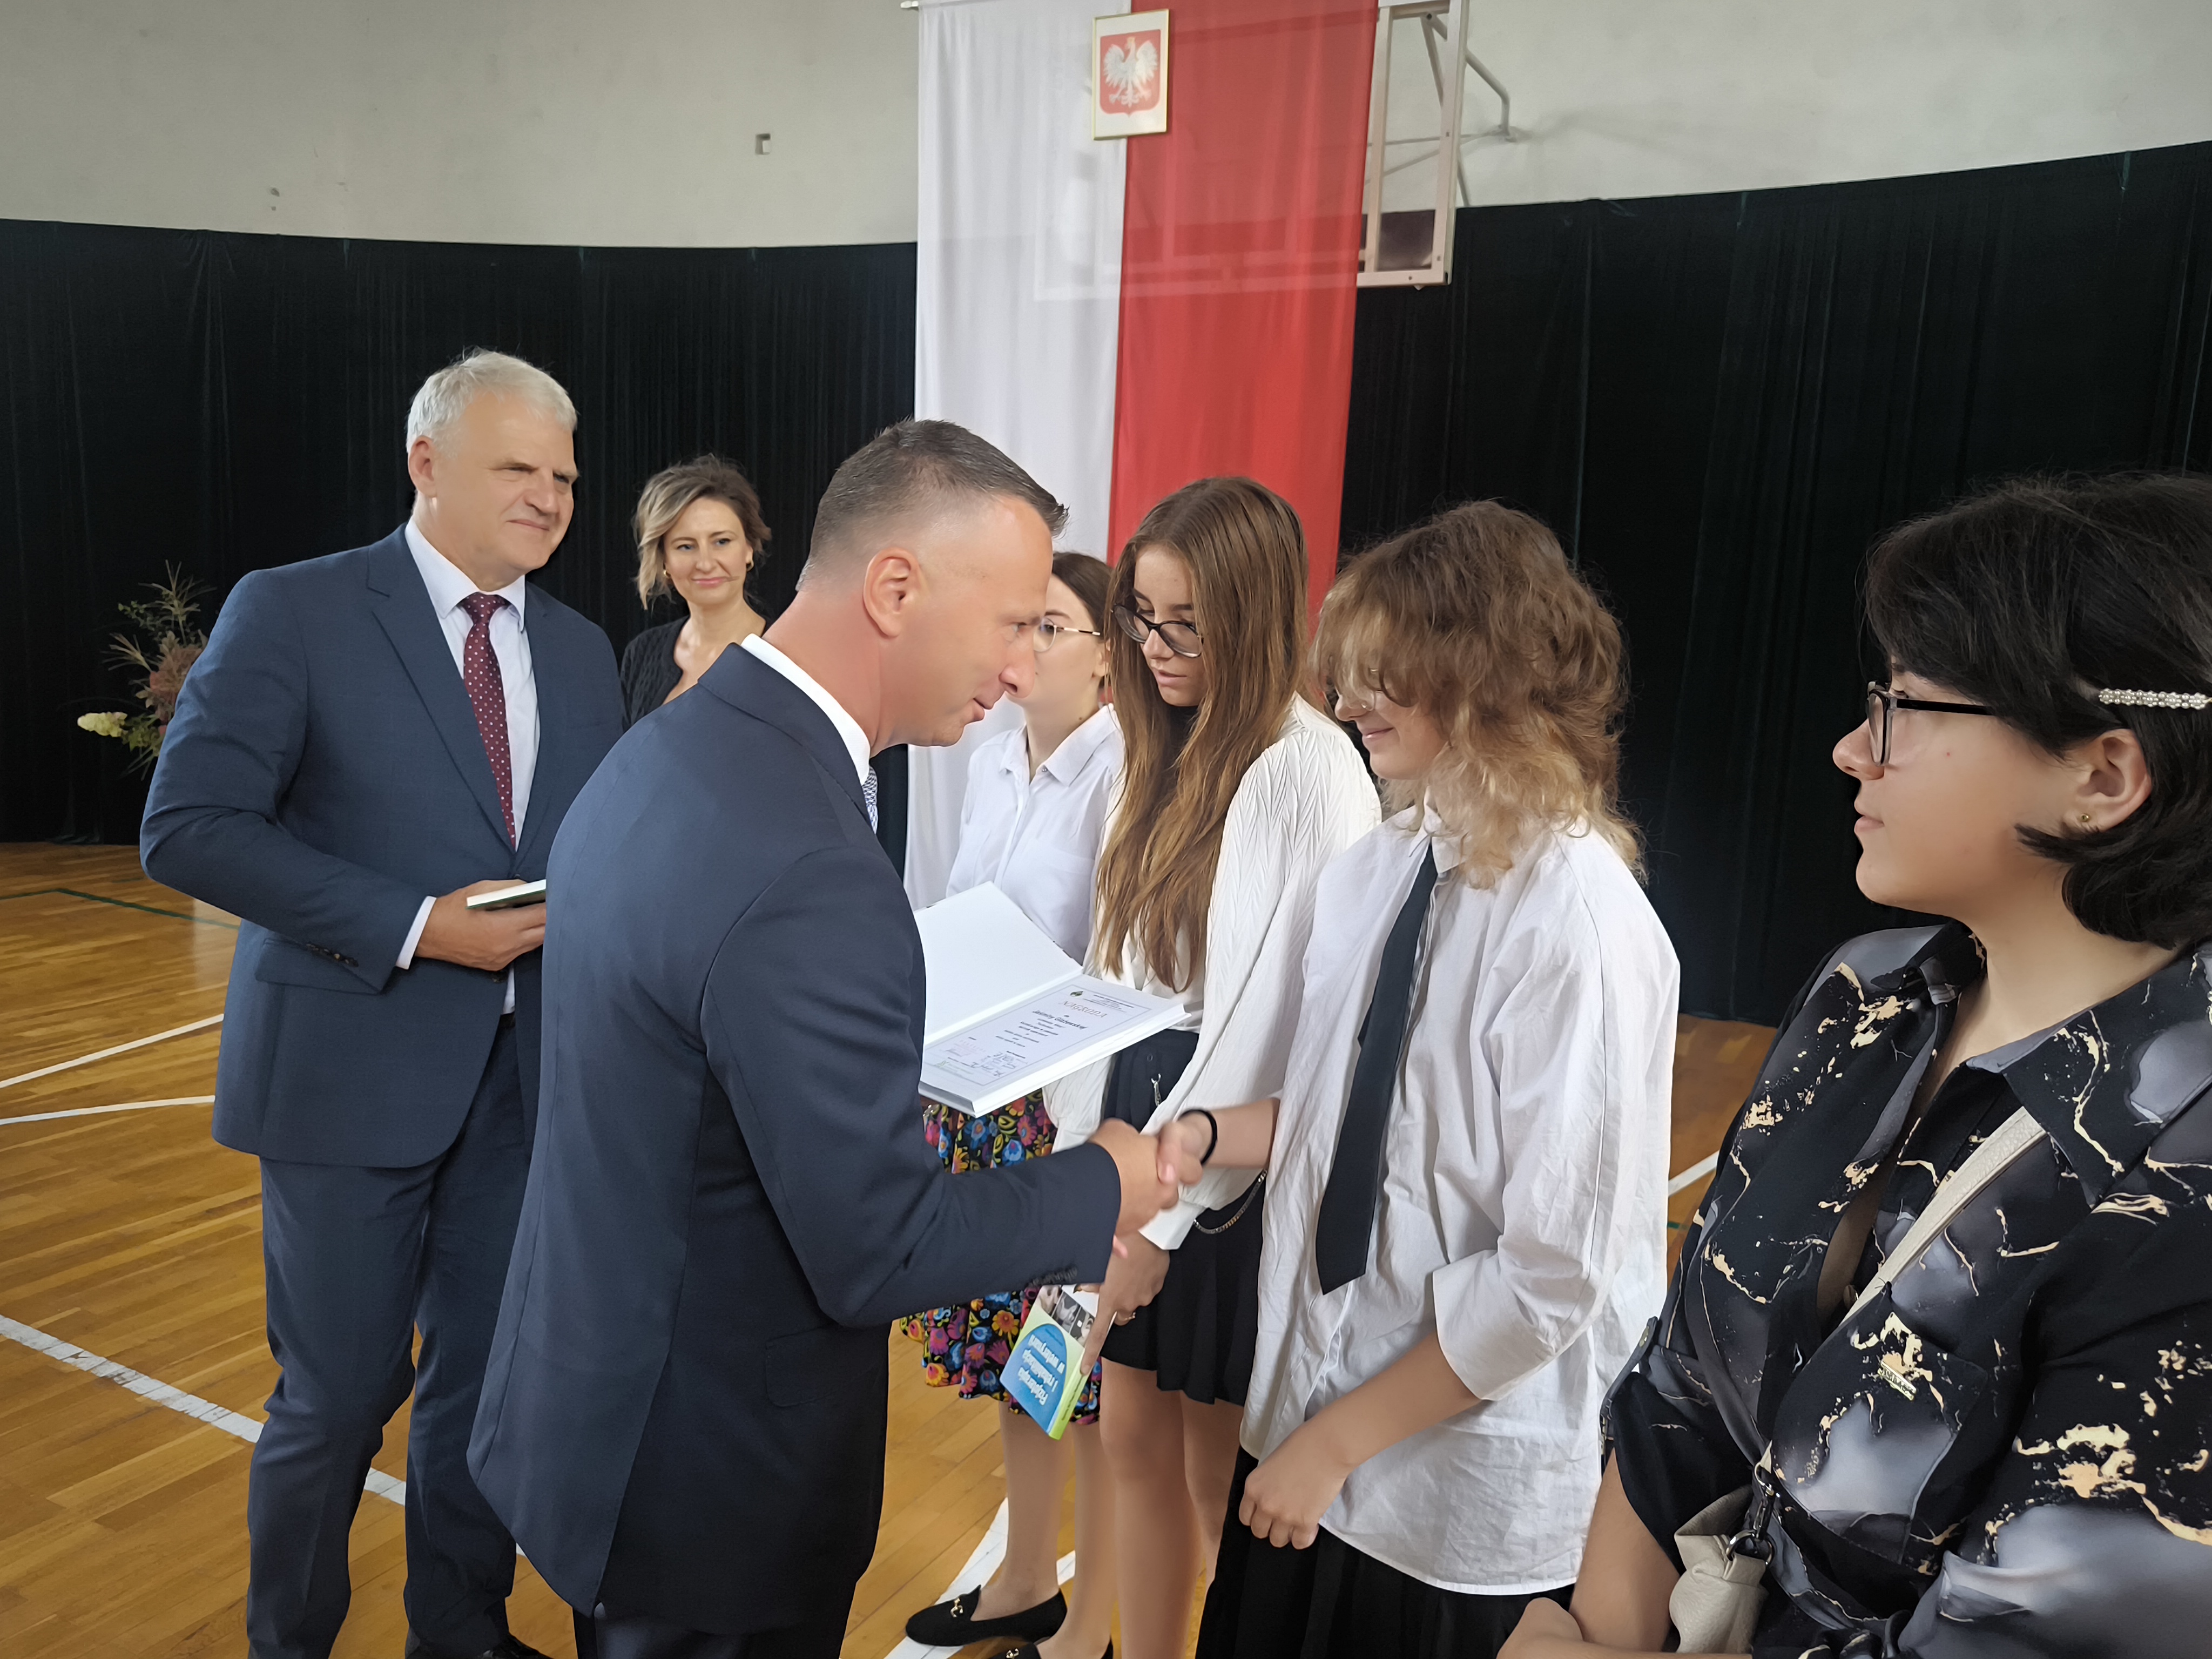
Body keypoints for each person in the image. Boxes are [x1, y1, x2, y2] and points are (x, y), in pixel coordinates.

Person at [467, 421, 1192, 1659]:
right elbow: (880, 1244)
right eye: (1014, 622)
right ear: (896, 589)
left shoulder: (671, 747)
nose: (1019, 666)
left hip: (603, 1408)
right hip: (714, 1483)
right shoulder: (809, 854)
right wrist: (1105, 1180)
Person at [1505, 473, 2212, 1659]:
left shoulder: (2181, 1174)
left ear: (2103, 777)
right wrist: (1594, 1631)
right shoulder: (1868, 996)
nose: (1849, 750)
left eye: (1901, 707)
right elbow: (1681, 1376)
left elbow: (2028, 1632)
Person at [140, 348, 626, 1659]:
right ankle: (289, 1641)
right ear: (426, 463)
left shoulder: (580, 649)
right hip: (349, 1076)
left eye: (565, 475)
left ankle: (459, 1633)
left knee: (484, 1389)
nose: (548, 496)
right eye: (517, 467)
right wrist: (418, 926)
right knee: (340, 1396)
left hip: (524, 1086)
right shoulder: (294, 609)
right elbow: (188, 828)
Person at [1162, 503, 1678, 1659]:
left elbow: (1555, 1271)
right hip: (1304, 1423)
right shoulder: (1374, 872)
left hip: (1444, 1496)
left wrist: (1340, 1440)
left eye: (1383, 672)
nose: (1347, 701)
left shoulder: (1578, 923)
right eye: (1347, 671)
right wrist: (1201, 1134)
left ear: (1485, 672)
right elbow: (1348, 1124)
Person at [1043, 477, 1381, 1659]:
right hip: (1135, 1116)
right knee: (1127, 1437)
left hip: (1231, 1153)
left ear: (1254, 614)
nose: (1155, 647)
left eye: (1185, 624)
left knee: (1215, 1475)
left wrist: (1164, 1212)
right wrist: (1084, 1169)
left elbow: (1288, 1026)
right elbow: (1113, 970)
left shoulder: (1313, 769)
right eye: (1141, 618)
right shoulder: (1151, 744)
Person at [900, 551, 1122, 1658]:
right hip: (976, 1093)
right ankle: (1027, 1579)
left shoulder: (1127, 772)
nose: (1022, 647)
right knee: (1022, 1366)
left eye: (1051, 627)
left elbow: (1119, 959)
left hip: (1068, 1104)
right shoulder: (989, 757)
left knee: (1094, 1380)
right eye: (1017, 625)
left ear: (1108, 656)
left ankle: (1092, 1628)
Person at [618, 455, 773, 725]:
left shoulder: (786, 658)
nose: (705, 563)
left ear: (749, 548)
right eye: (686, 546)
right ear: (664, 560)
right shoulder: (641, 654)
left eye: (722, 542)